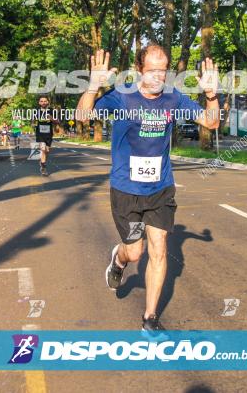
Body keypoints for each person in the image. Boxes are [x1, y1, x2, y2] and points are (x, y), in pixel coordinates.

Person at [76, 45, 221, 336]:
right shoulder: (122, 96)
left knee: (159, 250)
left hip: (160, 188)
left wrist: (211, 96)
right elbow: (82, 116)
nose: (158, 76)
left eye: (163, 70)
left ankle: (150, 319)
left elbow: (211, 121)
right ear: (139, 69)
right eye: (152, 70)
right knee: (135, 252)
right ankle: (119, 260)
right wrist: (93, 87)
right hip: (126, 189)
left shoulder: (173, 97)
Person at [34, 95, 57, 176]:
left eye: (45, 101)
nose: (43, 102)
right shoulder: (36, 111)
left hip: (48, 134)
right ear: (39, 102)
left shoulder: (52, 111)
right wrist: (34, 122)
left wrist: (51, 118)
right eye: (41, 101)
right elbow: (32, 121)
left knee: (47, 150)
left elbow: (57, 121)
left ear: (47, 102)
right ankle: (43, 168)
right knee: (43, 149)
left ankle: (42, 161)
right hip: (40, 134)